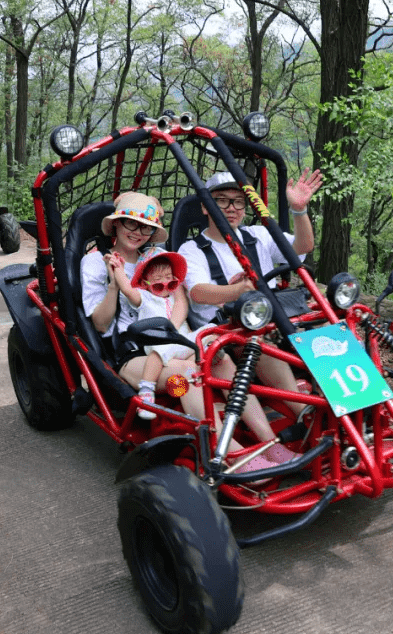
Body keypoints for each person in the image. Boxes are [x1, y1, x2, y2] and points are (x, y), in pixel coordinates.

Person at [80, 192, 285, 470]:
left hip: (173, 339)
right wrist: (116, 284)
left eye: (146, 227)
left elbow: (180, 301)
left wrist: (170, 335)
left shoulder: (159, 257)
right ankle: (234, 455)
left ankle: (272, 443)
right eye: (130, 223)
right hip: (133, 352)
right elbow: (101, 324)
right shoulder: (96, 262)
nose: (138, 232)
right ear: (115, 224)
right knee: (186, 375)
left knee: (219, 355)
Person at [179, 168, 323, 414]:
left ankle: (350, 402)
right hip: (228, 328)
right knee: (257, 341)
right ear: (206, 207)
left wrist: (299, 210)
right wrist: (238, 290)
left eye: (238, 201)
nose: (231, 207)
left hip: (275, 316)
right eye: (222, 200)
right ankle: (303, 412)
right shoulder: (191, 249)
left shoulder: (258, 235)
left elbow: (303, 246)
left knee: (326, 327)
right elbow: (198, 292)